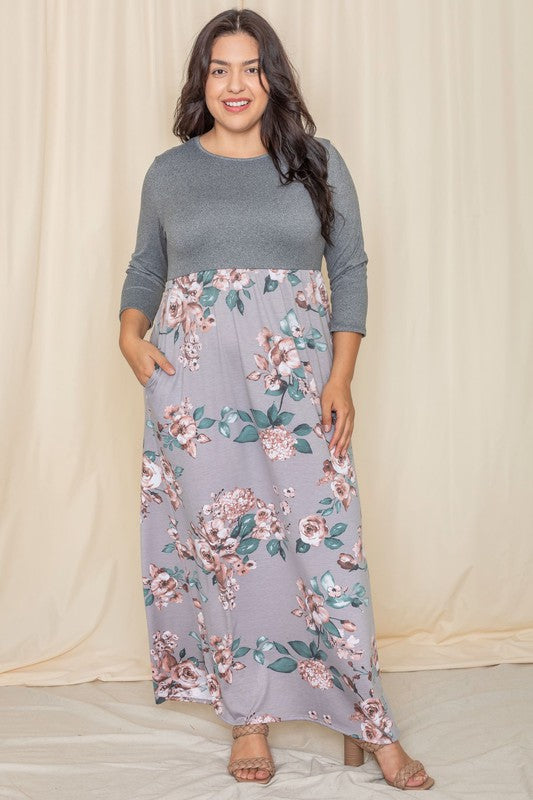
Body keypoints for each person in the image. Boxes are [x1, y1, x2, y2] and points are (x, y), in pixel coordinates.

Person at [118, 7, 434, 791]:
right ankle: (248, 719)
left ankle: (367, 719)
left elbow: (350, 269)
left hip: (296, 380)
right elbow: (145, 270)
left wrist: (340, 375)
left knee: (323, 546)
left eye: (251, 68)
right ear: (202, 79)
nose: (235, 85)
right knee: (226, 554)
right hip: (192, 389)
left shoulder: (317, 162)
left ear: (273, 78)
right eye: (220, 69)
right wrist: (129, 336)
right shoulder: (169, 172)